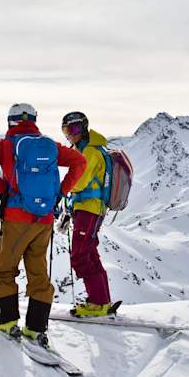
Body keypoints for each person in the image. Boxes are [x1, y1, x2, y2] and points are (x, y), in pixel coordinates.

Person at [0, 103, 86, 346]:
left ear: (10, 121)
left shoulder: (5, 145)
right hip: (44, 218)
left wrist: (2, 189)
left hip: (16, 216)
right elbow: (79, 162)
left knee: (6, 270)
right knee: (38, 272)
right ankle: (36, 328)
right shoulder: (50, 146)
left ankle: (7, 322)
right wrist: (60, 192)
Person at [61, 111, 114, 317]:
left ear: (83, 128)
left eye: (73, 130)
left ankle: (97, 303)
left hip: (90, 209)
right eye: (66, 131)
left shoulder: (90, 152)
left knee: (80, 255)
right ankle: (101, 301)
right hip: (86, 208)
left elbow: (80, 182)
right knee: (90, 253)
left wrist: (63, 187)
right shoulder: (84, 149)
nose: (70, 135)